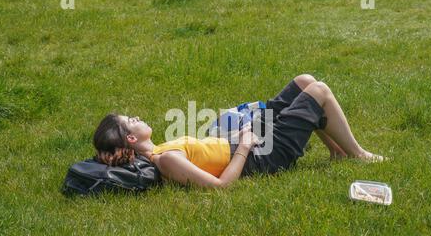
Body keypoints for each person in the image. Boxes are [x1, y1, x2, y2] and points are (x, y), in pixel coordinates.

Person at [93, 74, 385, 188]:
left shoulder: (160, 150)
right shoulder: (165, 159)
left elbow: (211, 154)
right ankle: (356, 154)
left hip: (245, 142)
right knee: (318, 91)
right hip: (262, 158)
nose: (138, 117)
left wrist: (234, 133)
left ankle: (337, 152)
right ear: (132, 138)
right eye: (131, 120)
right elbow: (220, 187)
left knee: (303, 81)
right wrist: (245, 144)